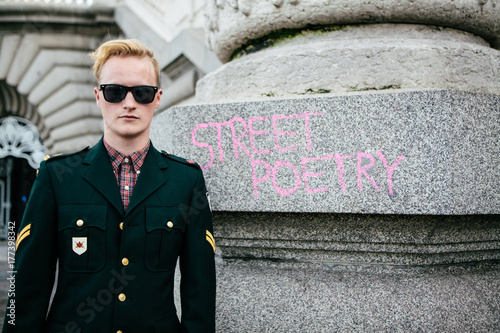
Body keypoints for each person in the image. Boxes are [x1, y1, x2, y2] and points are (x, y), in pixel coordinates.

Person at [3, 39, 216, 333]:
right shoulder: (56, 176)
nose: (129, 103)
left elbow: (199, 292)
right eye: (115, 92)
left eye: (142, 92)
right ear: (98, 96)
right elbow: (26, 286)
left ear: (157, 98)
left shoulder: (186, 180)